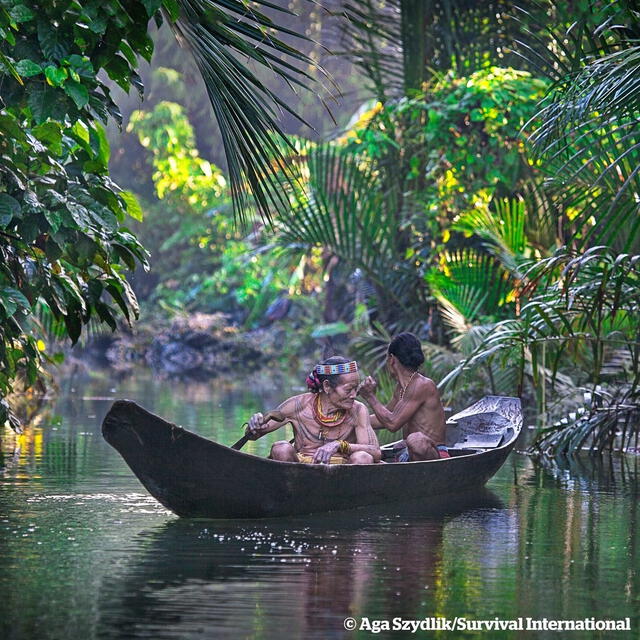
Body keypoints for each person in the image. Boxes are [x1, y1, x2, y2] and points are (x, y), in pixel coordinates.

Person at [246, 356, 381, 464]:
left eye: (355, 388)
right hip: (299, 473)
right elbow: (253, 436)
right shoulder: (298, 405)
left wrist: (340, 445)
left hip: (343, 474)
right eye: (348, 389)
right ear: (327, 386)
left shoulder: (358, 410)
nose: (353, 395)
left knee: (363, 457)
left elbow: (375, 452)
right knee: (281, 448)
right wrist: (254, 425)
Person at [357, 332, 449, 461]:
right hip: (409, 454)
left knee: (415, 440)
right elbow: (383, 418)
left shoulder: (422, 385)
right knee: (403, 443)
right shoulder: (401, 388)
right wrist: (351, 420)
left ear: (392, 359)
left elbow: (392, 423)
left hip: (435, 454)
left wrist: (370, 397)